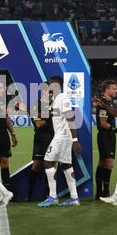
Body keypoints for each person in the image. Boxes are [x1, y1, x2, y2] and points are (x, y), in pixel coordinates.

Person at [38, 76, 82, 207]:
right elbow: (50, 116)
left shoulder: (62, 98)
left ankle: (53, 196)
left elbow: (70, 118)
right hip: (62, 136)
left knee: (47, 162)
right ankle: (74, 198)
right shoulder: (56, 100)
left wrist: (75, 140)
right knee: (67, 165)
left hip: (62, 137)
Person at [93, 80, 117, 199]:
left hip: (108, 136)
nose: (116, 90)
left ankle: (99, 193)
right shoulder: (103, 103)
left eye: (116, 88)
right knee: (109, 164)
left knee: (102, 163)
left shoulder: (108, 103)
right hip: (105, 136)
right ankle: (105, 192)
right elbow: (103, 123)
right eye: (113, 88)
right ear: (107, 90)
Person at [0, 81, 18, 191]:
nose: (3, 90)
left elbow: (6, 118)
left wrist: (13, 134)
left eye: (3, 88)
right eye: (0, 88)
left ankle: (7, 190)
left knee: (5, 161)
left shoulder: (3, 102)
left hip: (3, 136)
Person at [27, 82, 54, 201]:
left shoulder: (55, 104)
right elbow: (38, 124)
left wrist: (48, 117)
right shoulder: (35, 105)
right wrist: (52, 117)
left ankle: (50, 194)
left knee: (52, 167)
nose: (51, 94)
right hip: (40, 139)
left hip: (53, 139)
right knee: (36, 166)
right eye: (49, 91)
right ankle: (29, 194)